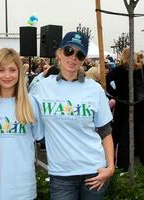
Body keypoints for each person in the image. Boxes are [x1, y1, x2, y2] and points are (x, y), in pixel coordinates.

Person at [30, 31, 114, 200]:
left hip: (94, 172)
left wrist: (110, 167)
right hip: (61, 175)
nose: (73, 57)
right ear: (59, 53)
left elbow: (105, 131)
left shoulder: (94, 89)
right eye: (69, 51)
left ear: (83, 60)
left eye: (80, 54)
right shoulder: (42, 88)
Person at [0, 48, 43, 200]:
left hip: (23, 187)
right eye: (1, 70)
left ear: (20, 72)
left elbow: (39, 136)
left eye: (12, 70)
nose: (7, 75)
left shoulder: (31, 103)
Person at [106, 48, 144, 170]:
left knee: (123, 138)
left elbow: (107, 80)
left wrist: (115, 93)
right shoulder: (140, 69)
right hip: (139, 106)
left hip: (123, 106)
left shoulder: (119, 70)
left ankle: (123, 166)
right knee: (141, 135)